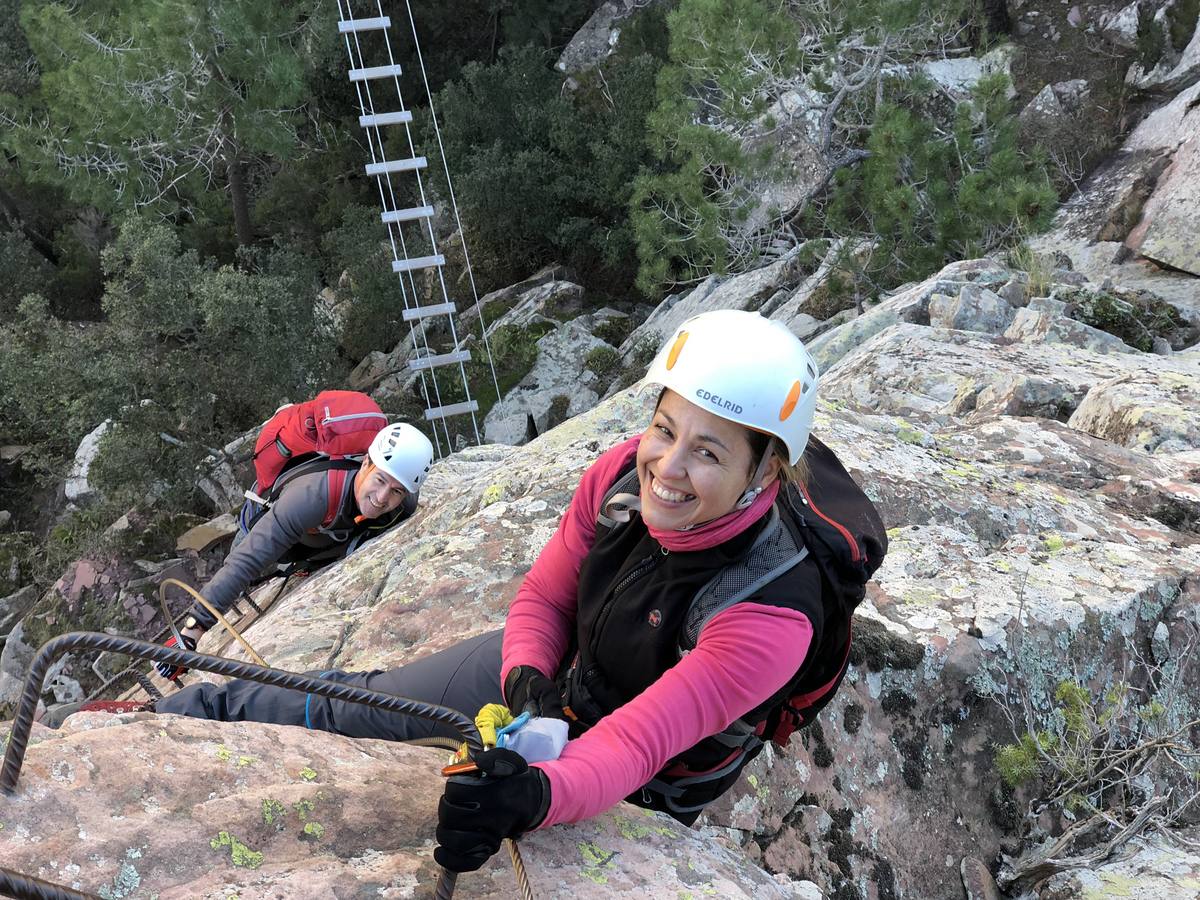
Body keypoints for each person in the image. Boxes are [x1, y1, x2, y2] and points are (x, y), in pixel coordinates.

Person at [154, 310, 886, 876]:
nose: (666, 466)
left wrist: (531, 797)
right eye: (666, 429)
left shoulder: (768, 612)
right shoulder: (621, 476)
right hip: (564, 674)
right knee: (355, 701)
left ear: (763, 474)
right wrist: (526, 676)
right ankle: (173, 714)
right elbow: (544, 595)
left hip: (653, 774)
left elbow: (639, 743)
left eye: (709, 451)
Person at [155, 422, 434, 679]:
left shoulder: (403, 507)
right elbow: (247, 561)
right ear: (365, 463)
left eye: (396, 491)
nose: (383, 498)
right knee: (249, 575)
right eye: (381, 480)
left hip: (315, 545)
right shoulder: (313, 495)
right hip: (266, 527)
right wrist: (191, 633)